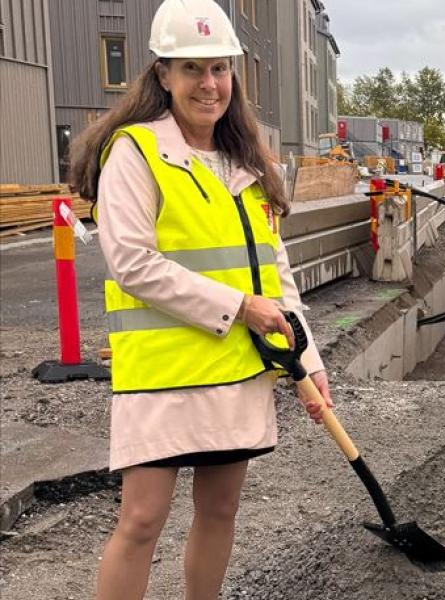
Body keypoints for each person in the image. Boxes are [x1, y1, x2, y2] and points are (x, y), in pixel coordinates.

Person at [68, 1, 334, 598]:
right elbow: (133, 264)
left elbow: (276, 274)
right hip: (163, 374)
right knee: (140, 520)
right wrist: (241, 307)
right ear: (162, 74)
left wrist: (311, 363)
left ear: (233, 75)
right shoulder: (134, 153)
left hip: (237, 370)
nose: (208, 84)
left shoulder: (247, 163)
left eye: (219, 69)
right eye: (192, 68)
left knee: (220, 512)